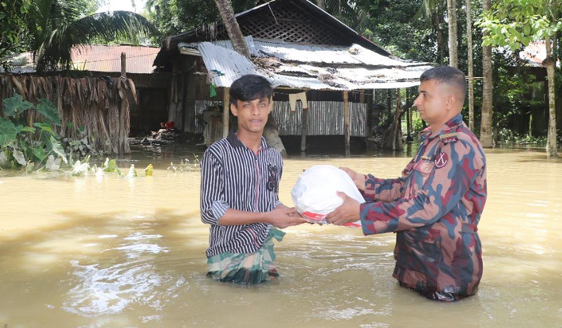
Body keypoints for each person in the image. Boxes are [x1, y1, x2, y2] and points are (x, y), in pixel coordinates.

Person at [326, 65, 487, 301]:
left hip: (446, 276)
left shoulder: (458, 145)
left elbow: (427, 206)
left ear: (449, 102)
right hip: (416, 268)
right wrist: (360, 181)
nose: (416, 102)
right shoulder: (432, 141)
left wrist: (361, 212)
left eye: (425, 95)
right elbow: (405, 189)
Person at [199, 74, 306, 284]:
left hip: (265, 254)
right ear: (235, 109)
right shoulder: (217, 154)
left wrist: (300, 213)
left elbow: (271, 201)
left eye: (262, 104)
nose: (256, 112)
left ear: (269, 107)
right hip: (229, 259)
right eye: (247, 105)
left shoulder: (273, 156)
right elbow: (210, 212)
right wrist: (267, 216)